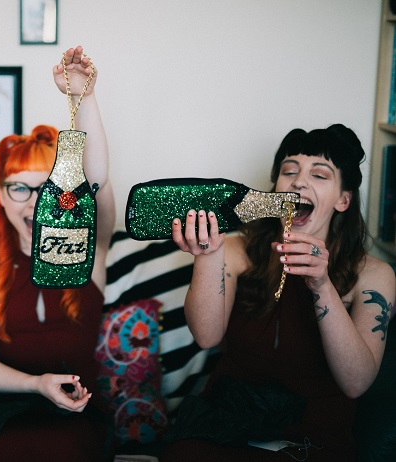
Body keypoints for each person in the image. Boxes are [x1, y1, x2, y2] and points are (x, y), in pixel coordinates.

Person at [166, 124, 395, 461]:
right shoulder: (236, 250)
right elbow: (206, 336)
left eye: (319, 174)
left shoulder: (375, 275)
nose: (298, 182)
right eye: (289, 171)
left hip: (312, 438)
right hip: (225, 424)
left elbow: (356, 383)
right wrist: (207, 257)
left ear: (343, 200)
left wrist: (321, 285)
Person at [0, 46, 116, 461]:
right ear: (1, 196)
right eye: (19, 188)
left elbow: (96, 180)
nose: (32, 202)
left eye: (46, 188)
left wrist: (83, 97)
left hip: (78, 411)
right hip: (4, 413)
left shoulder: (89, 246)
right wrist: (35, 384)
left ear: (66, 195)